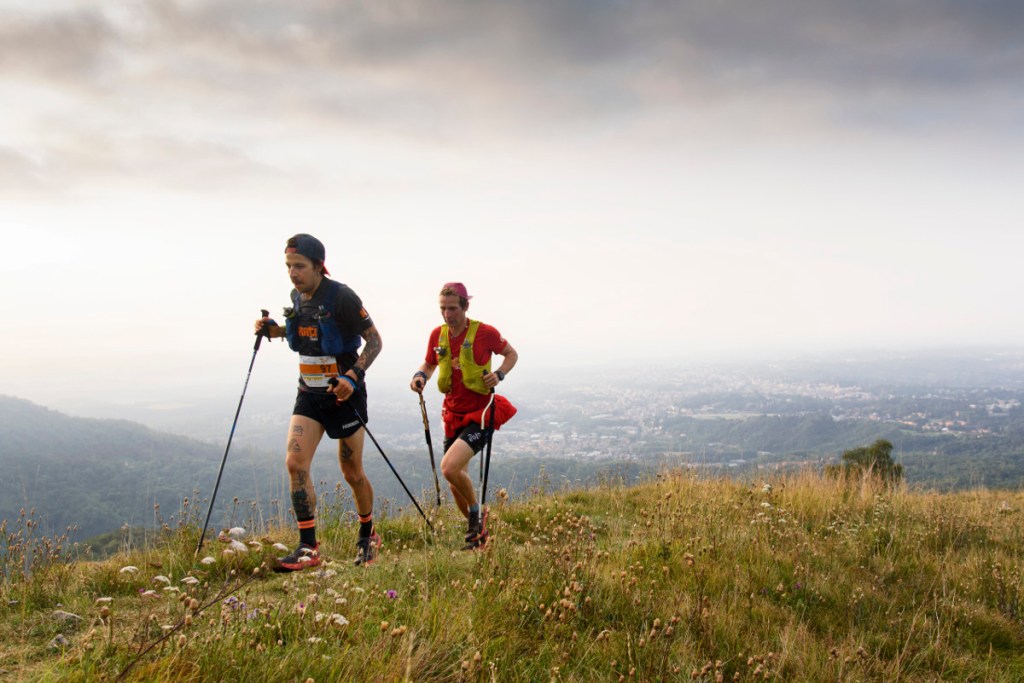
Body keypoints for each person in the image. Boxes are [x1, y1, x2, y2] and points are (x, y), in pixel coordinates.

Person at [254, 234, 383, 570]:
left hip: (343, 393)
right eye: (288, 266)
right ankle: (308, 547)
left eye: (299, 266)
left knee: (352, 472)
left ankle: (368, 534)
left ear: (318, 266)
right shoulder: (297, 297)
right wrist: (275, 330)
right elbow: (304, 329)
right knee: (295, 464)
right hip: (308, 393)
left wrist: (352, 377)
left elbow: (374, 341)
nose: (293, 273)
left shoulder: (341, 296)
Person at [410, 282, 518, 549]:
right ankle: (479, 537)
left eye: (452, 309)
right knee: (454, 483)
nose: (447, 314)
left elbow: (511, 354)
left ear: (465, 307)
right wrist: (420, 376)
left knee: (449, 468)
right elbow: (429, 362)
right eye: (443, 309)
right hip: (452, 414)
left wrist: (500, 373)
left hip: (482, 413)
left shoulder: (485, 332)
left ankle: (475, 516)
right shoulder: (438, 335)